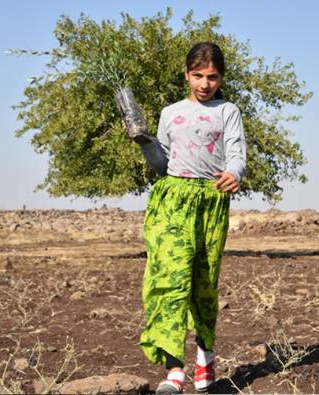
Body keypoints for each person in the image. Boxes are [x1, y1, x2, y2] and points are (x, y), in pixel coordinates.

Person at [125, 42, 246, 394]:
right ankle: (174, 370)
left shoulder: (228, 111)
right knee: (169, 280)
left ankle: (205, 358)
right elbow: (162, 164)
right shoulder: (170, 112)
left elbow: (237, 153)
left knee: (204, 284)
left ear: (221, 77)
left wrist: (234, 173)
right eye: (198, 76)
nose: (205, 84)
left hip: (210, 202)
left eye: (212, 77)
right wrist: (144, 141)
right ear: (186, 73)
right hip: (172, 200)